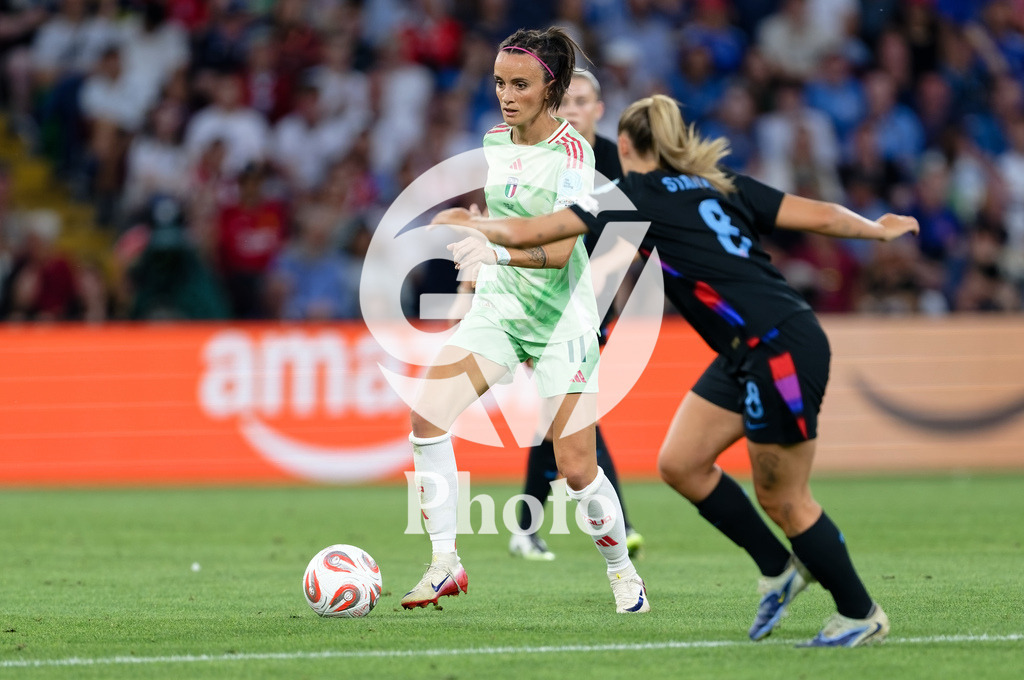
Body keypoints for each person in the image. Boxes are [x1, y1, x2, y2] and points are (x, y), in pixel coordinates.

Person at [433, 94, 920, 646]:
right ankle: (779, 569)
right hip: (748, 347)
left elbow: (537, 231)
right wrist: (876, 230)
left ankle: (861, 613)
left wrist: (479, 226)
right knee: (681, 463)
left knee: (784, 497)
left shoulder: (634, 194)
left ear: (625, 145)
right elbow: (822, 214)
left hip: (778, 347)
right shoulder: (719, 181)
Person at [402, 27, 649, 615]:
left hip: (562, 318)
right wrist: (471, 228)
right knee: (427, 414)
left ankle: (622, 572)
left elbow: (563, 251)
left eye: (520, 84)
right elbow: (500, 216)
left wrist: (497, 252)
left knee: (578, 471)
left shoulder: (574, 155)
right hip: (502, 308)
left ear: (552, 87)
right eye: (499, 82)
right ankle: (444, 565)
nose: (506, 95)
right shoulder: (494, 141)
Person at [509, 69, 645, 562]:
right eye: (562, 102)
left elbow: (629, 239)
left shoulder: (616, 161)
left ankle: (525, 528)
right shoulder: (537, 158)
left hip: (590, 298)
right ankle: (617, 522)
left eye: (580, 102)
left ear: (598, 109)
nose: (570, 110)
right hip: (539, 297)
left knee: (562, 407)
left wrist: (595, 271)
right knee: (567, 405)